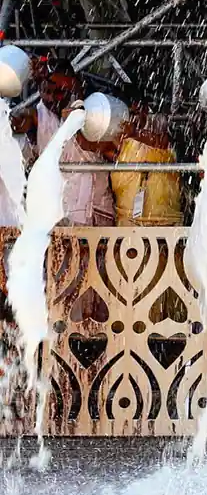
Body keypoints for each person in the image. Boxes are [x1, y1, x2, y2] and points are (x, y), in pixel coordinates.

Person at [11, 57, 117, 227]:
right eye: (47, 91)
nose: (52, 98)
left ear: (75, 86)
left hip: (94, 216)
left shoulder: (96, 114)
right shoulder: (38, 116)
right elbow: (18, 122)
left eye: (60, 91)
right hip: (54, 218)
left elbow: (115, 154)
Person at [111, 96, 186, 323]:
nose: (136, 118)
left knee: (164, 292)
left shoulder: (160, 140)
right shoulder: (121, 142)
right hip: (129, 230)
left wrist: (134, 132)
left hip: (163, 231)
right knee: (131, 290)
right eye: (132, 113)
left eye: (140, 112)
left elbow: (162, 142)